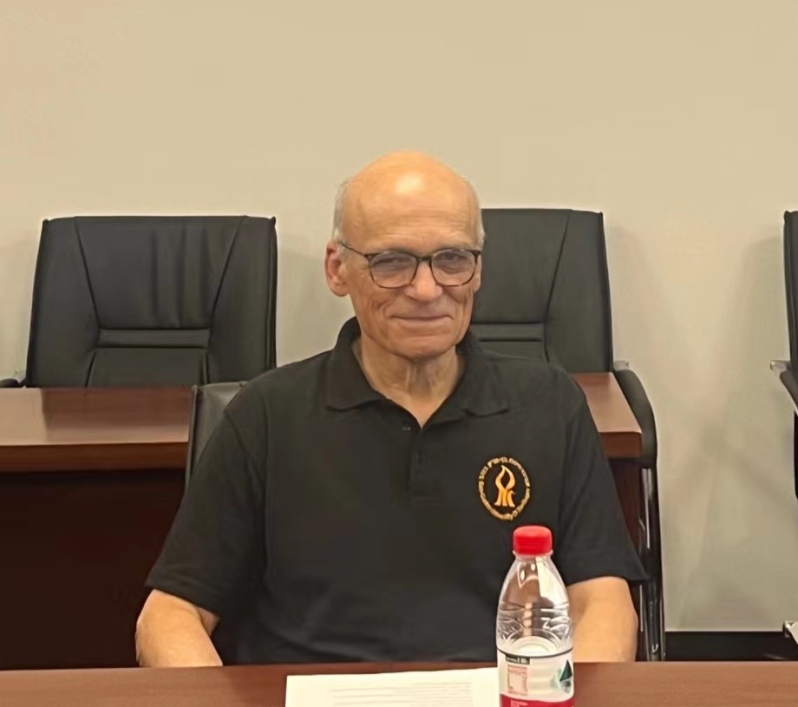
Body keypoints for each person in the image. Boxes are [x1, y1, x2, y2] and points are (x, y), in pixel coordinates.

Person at [136, 151, 645, 668]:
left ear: (478, 270)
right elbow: (171, 614)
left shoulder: (550, 405)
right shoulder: (265, 414)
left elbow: (603, 601)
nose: (426, 290)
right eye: (392, 262)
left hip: (502, 690)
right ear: (338, 269)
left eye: (452, 259)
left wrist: (560, 697)